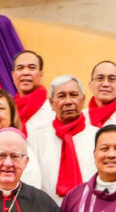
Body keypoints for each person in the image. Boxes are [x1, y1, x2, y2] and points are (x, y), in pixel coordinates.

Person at [28, 75, 98, 203]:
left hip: (90, 210)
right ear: (51, 103)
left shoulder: (98, 137)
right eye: (61, 96)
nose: (68, 101)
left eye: (73, 95)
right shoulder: (35, 140)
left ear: (83, 99)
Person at [11, 50, 54, 134]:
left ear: (41, 74)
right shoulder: (7, 110)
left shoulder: (54, 109)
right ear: (13, 75)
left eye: (32, 68)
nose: (26, 72)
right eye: (20, 68)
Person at [85, 60, 116, 129]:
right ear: (90, 85)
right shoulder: (82, 118)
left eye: (111, 79)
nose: (105, 84)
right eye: (100, 78)